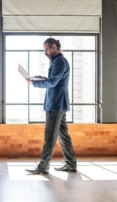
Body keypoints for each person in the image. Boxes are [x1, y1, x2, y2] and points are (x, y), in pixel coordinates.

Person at [25, 38, 77, 174]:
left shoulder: (59, 61)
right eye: (44, 50)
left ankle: (43, 167)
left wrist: (34, 83)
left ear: (54, 47)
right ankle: (71, 164)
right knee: (63, 135)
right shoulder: (58, 61)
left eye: (47, 50)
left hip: (55, 104)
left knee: (49, 136)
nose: (45, 53)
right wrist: (42, 79)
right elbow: (55, 80)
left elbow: (53, 82)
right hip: (59, 103)